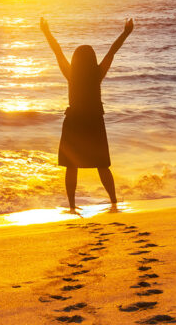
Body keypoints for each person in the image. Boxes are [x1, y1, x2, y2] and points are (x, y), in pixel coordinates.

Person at [40, 17, 134, 214]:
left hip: (74, 122)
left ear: (75, 60)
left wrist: (46, 32)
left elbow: (57, 51)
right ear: (92, 60)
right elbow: (112, 51)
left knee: (70, 165)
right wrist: (126, 32)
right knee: (102, 165)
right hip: (94, 123)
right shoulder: (97, 73)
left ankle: (72, 206)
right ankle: (114, 202)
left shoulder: (70, 73)